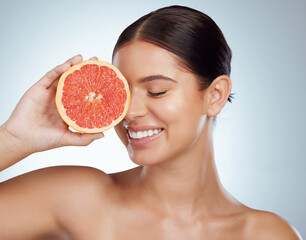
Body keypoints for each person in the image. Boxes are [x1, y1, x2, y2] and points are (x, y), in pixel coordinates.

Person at [0, 5, 301, 240]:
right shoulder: (77, 199)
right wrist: (15, 138)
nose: (129, 112)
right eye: (121, 92)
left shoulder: (266, 234)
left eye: (157, 91)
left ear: (215, 96)